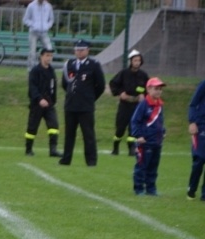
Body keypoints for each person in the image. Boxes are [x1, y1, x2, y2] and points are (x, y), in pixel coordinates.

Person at [59, 39, 105, 167]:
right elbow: (65, 84)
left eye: (82, 50)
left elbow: (100, 86)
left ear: (87, 50)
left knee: (88, 134)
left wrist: (90, 97)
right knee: (69, 134)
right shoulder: (69, 64)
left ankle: (91, 160)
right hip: (71, 105)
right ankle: (66, 159)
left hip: (86, 106)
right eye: (77, 50)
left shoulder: (94, 65)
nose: (79, 52)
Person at [108, 49, 149, 156]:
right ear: (131, 61)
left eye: (139, 60)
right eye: (135, 60)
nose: (137, 63)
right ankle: (115, 147)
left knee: (133, 128)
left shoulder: (143, 75)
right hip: (124, 105)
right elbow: (113, 83)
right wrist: (120, 93)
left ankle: (131, 148)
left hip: (137, 106)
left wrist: (143, 95)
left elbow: (148, 88)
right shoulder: (123, 73)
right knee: (120, 127)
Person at [130, 77, 166, 196]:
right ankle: (139, 188)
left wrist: (163, 131)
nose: (158, 91)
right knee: (141, 166)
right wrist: (138, 135)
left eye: (160, 89)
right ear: (149, 89)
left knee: (153, 167)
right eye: (156, 89)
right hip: (145, 141)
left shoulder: (159, 105)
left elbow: (159, 121)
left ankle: (151, 188)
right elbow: (135, 121)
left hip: (156, 141)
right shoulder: (144, 105)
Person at [25, 48, 62, 157]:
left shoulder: (51, 71)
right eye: (47, 55)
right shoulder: (35, 71)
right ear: (41, 56)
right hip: (37, 104)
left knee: (54, 125)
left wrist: (52, 101)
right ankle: (28, 149)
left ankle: (53, 150)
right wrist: (39, 99)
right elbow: (32, 87)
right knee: (32, 127)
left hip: (49, 104)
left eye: (50, 55)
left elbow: (53, 87)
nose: (49, 58)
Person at [22, 0, 55, 70]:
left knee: (49, 49)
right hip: (33, 32)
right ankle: (31, 69)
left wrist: (47, 26)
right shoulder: (31, 6)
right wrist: (33, 25)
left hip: (44, 32)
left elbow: (51, 19)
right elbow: (25, 19)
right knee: (32, 51)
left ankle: (47, 67)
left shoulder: (48, 6)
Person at [186, 79, 205, 201]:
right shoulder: (203, 85)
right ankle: (192, 189)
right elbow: (193, 104)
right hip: (201, 127)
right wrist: (192, 122)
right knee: (200, 159)